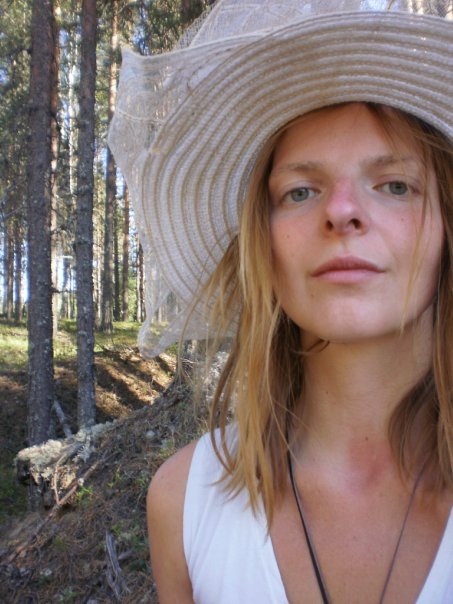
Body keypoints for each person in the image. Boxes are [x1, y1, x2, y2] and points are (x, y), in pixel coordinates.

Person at [108, 1, 453, 602]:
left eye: (395, 185)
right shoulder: (184, 502)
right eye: (299, 191)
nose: (341, 210)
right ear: (262, 246)